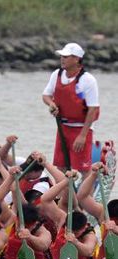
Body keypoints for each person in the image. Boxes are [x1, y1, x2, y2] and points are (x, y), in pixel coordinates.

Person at [42, 43, 100, 176]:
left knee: (84, 170)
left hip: (81, 128)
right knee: (61, 168)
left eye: (66, 56)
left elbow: (92, 109)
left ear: (76, 59)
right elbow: (46, 95)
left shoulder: (88, 80)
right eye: (62, 56)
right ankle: (65, 196)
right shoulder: (57, 74)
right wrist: (51, 104)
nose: (62, 59)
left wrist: (83, 136)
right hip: (63, 127)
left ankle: (85, 196)